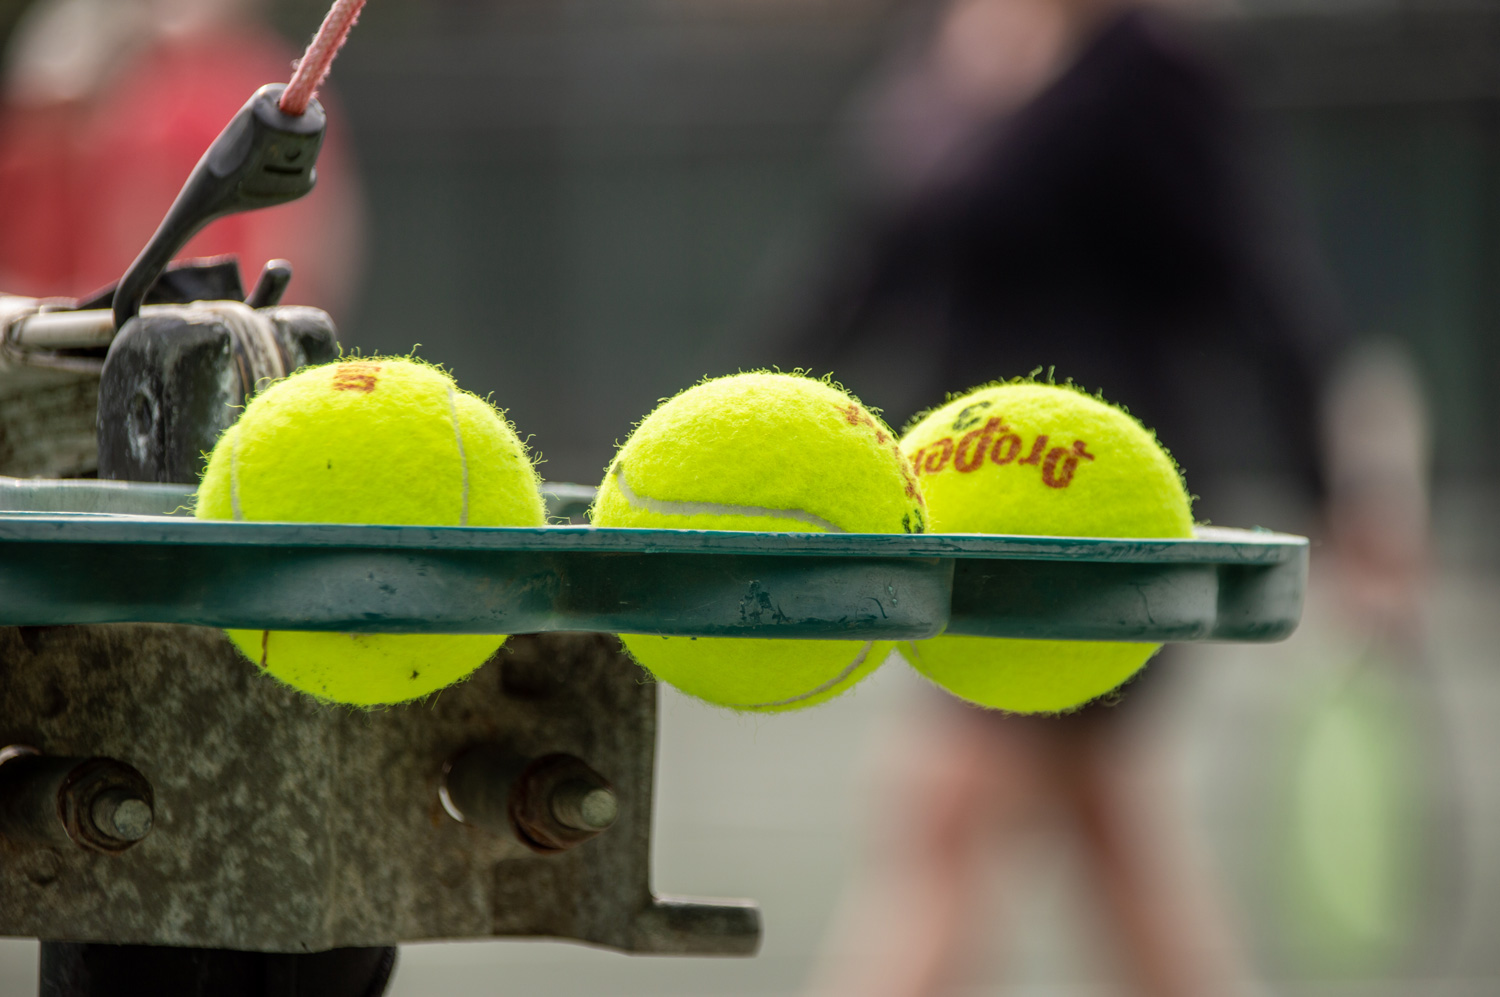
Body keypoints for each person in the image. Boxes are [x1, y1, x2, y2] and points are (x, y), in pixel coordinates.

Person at [792, 1, 1350, 994]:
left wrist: (1334, 482)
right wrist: (759, 406)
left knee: (948, 815)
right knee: (1106, 836)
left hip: (1091, 524)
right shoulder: (948, 46)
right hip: (962, 511)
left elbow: (1258, 284)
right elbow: (862, 271)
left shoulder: (1150, 69)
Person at [0, 0, 363, 313]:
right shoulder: (111, 80)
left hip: (192, 338)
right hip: (125, 339)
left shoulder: (257, 94)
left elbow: (313, 247)